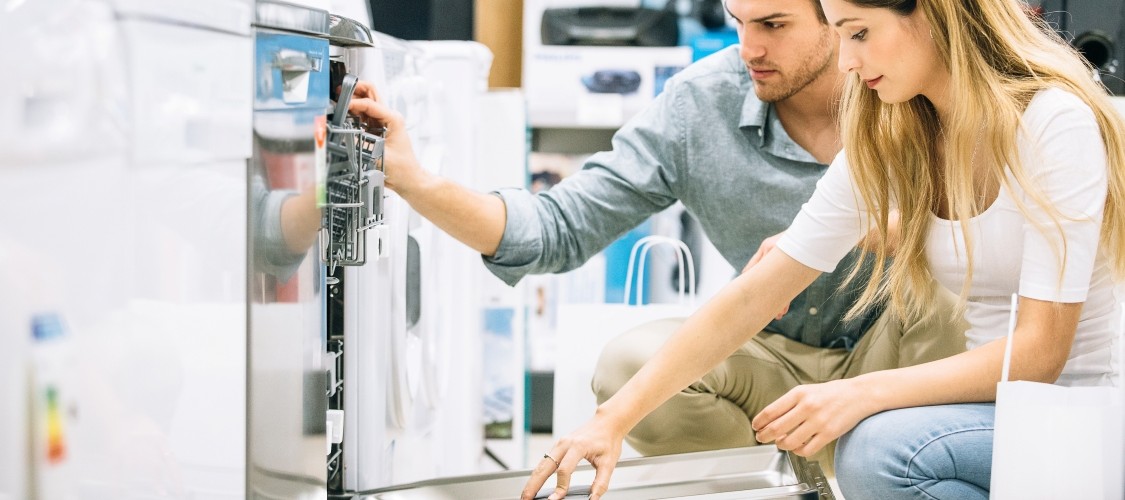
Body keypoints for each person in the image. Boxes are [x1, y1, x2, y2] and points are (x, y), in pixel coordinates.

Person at [517, 0, 1125, 497]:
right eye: (839, 35)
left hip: (1075, 416)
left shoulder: (1053, 122)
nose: (848, 61)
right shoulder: (896, 130)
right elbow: (761, 289)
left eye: (860, 33)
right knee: (880, 451)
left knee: (880, 449)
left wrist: (855, 395)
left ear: (934, 13)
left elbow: (1042, 352)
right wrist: (611, 420)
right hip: (983, 415)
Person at [348, 0, 967, 474]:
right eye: (737, 20)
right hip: (770, 355)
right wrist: (411, 180)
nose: (749, 47)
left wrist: (868, 232)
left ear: (841, 17)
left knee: (950, 295)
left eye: (774, 24)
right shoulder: (700, 105)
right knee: (626, 367)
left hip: (903, 357)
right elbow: (556, 229)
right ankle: (789, 479)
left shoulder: (912, 89)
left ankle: (882, 461)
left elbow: (1003, 230)